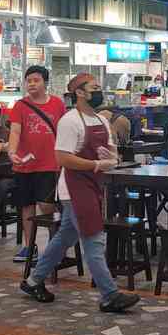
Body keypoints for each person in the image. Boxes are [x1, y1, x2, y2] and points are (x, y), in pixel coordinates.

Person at [21, 73, 140, 313]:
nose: (99, 92)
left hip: (94, 185)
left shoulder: (102, 121)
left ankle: (33, 281)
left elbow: (113, 153)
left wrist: (111, 158)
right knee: (94, 240)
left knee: (65, 236)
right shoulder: (69, 121)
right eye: (94, 88)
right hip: (74, 189)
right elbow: (62, 158)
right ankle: (109, 294)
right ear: (80, 93)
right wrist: (96, 165)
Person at [7, 65, 66, 263]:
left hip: (50, 164)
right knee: (27, 206)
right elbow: (15, 131)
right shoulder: (20, 105)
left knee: (46, 204)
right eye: (29, 80)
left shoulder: (57, 104)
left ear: (45, 83)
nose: (31, 84)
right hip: (24, 165)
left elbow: (64, 130)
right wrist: (12, 151)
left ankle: (55, 245)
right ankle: (28, 246)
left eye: (36, 80)